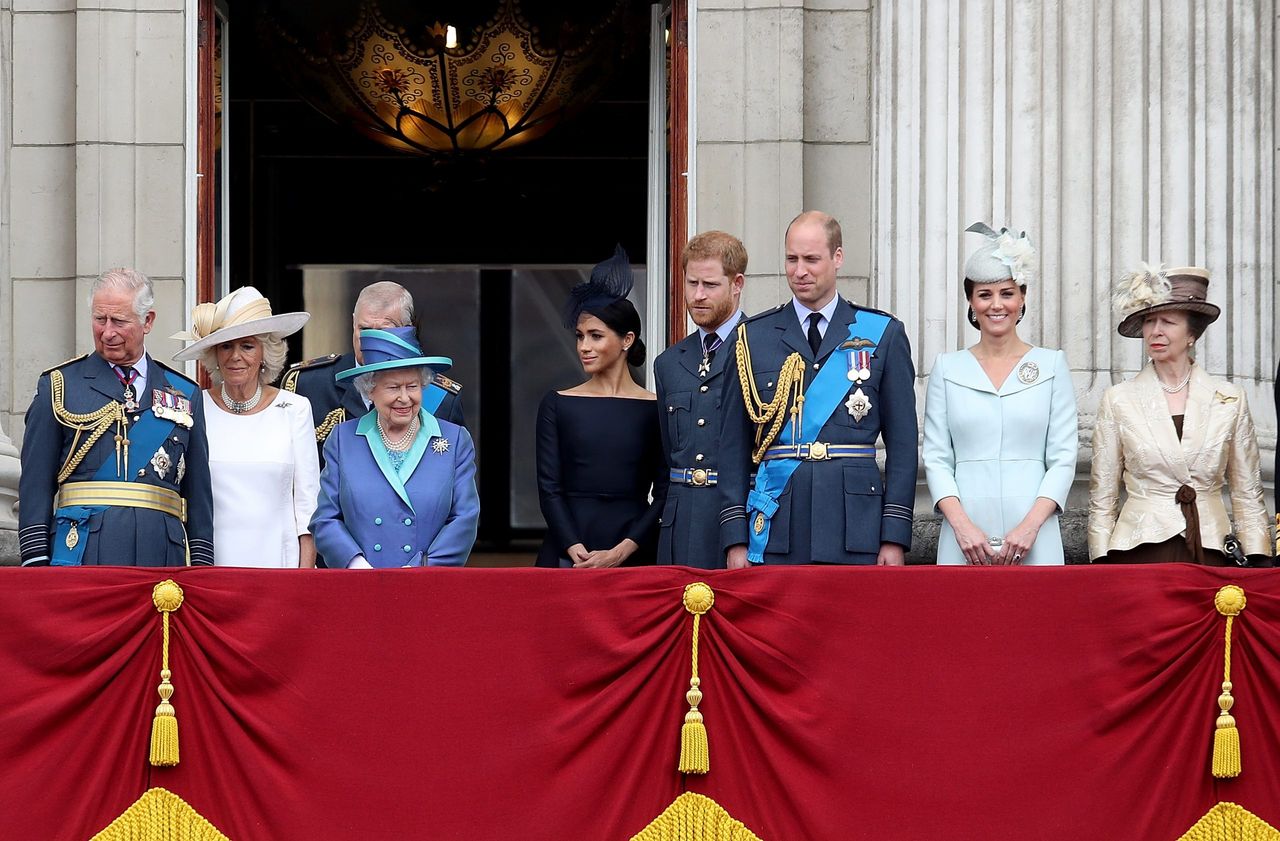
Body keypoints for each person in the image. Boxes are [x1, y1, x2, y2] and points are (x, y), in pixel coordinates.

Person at [718, 211, 917, 567]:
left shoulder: (882, 334)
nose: (799, 271)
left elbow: (903, 445)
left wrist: (894, 536)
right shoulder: (753, 338)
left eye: (811, 259)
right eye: (791, 259)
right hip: (776, 527)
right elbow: (732, 446)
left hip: (856, 528)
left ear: (837, 258)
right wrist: (735, 538)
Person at [17, 268, 214, 566]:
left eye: (119, 321)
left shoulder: (185, 393)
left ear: (147, 321)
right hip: (81, 556)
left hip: (161, 556)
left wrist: (201, 565)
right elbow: (35, 484)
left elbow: (198, 494)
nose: (107, 332)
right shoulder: (59, 386)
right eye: (100, 319)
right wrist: (36, 561)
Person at [1089, 264, 1272, 565]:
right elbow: (1103, 492)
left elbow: (1247, 490)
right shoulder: (1118, 399)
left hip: (1211, 547)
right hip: (1139, 548)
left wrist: (1258, 554)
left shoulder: (1229, 399)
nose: (1156, 331)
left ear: (1192, 334)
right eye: (1149, 321)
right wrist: (1099, 555)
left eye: (1168, 322)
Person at [922, 223, 1078, 565]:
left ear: (1022, 298)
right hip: (964, 536)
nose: (997, 305)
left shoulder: (1051, 365)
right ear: (971, 301)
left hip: (1035, 533)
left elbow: (1064, 457)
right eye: (985, 294)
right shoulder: (948, 369)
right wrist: (962, 527)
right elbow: (936, 458)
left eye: (1007, 293)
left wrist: (1030, 527)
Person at [535, 245, 668, 568]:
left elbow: (665, 491)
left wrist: (622, 551)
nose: (584, 347)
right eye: (580, 336)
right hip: (568, 550)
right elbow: (549, 488)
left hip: (634, 550)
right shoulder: (558, 403)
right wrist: (572, 545)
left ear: (626, 340)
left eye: (596, 336)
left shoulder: (656, 408)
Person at [171, 286, 319, 568]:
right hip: (212, 567)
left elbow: (307, 506)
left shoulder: (295, 409)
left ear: (265, 352)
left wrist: (304, 577)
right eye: (227, 346)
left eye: (247, 345)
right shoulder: (195, 408)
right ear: (215, 354)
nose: (235, 356)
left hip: (279, 567)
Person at [310, 327, 478, 567]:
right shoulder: (343, 439)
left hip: (428, 584)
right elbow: (325, 518)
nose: (405, 398)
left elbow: (465, 518)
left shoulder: (455, 440)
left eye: (412, 386)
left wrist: (422, 569)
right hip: (360, 584)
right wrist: (355, 564)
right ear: (369, 389)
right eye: (393, 387)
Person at [282, 281, 464, 464]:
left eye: (384, 331)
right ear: (353, 323)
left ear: (407, 331)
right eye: (365, 330)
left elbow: (454, 478)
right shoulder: (307, 384)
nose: (370, 341)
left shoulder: (442, 399)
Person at [653, 231, 747, 568]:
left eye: (709, 284)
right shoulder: (668, 363)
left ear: (737, 284)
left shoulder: (763, 350)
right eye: (691, 283)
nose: (698, 295)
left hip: (741, 519)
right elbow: (668, 455)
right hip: (680, 523)